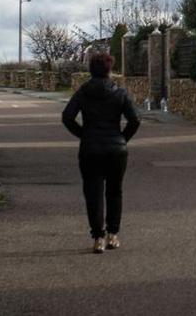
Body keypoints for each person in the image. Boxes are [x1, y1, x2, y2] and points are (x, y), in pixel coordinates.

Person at [61, 53, 141, 254]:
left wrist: (83, 135)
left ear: (90, 70)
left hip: (90, 149)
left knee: (93, 193)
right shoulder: (120, 93)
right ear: (110, 70)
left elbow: (67, 117)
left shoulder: (83, 92)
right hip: (116, 149)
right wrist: (122, 138)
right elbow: (135, 120)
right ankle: (113, 235)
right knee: (115, 191)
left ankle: (98, 237)